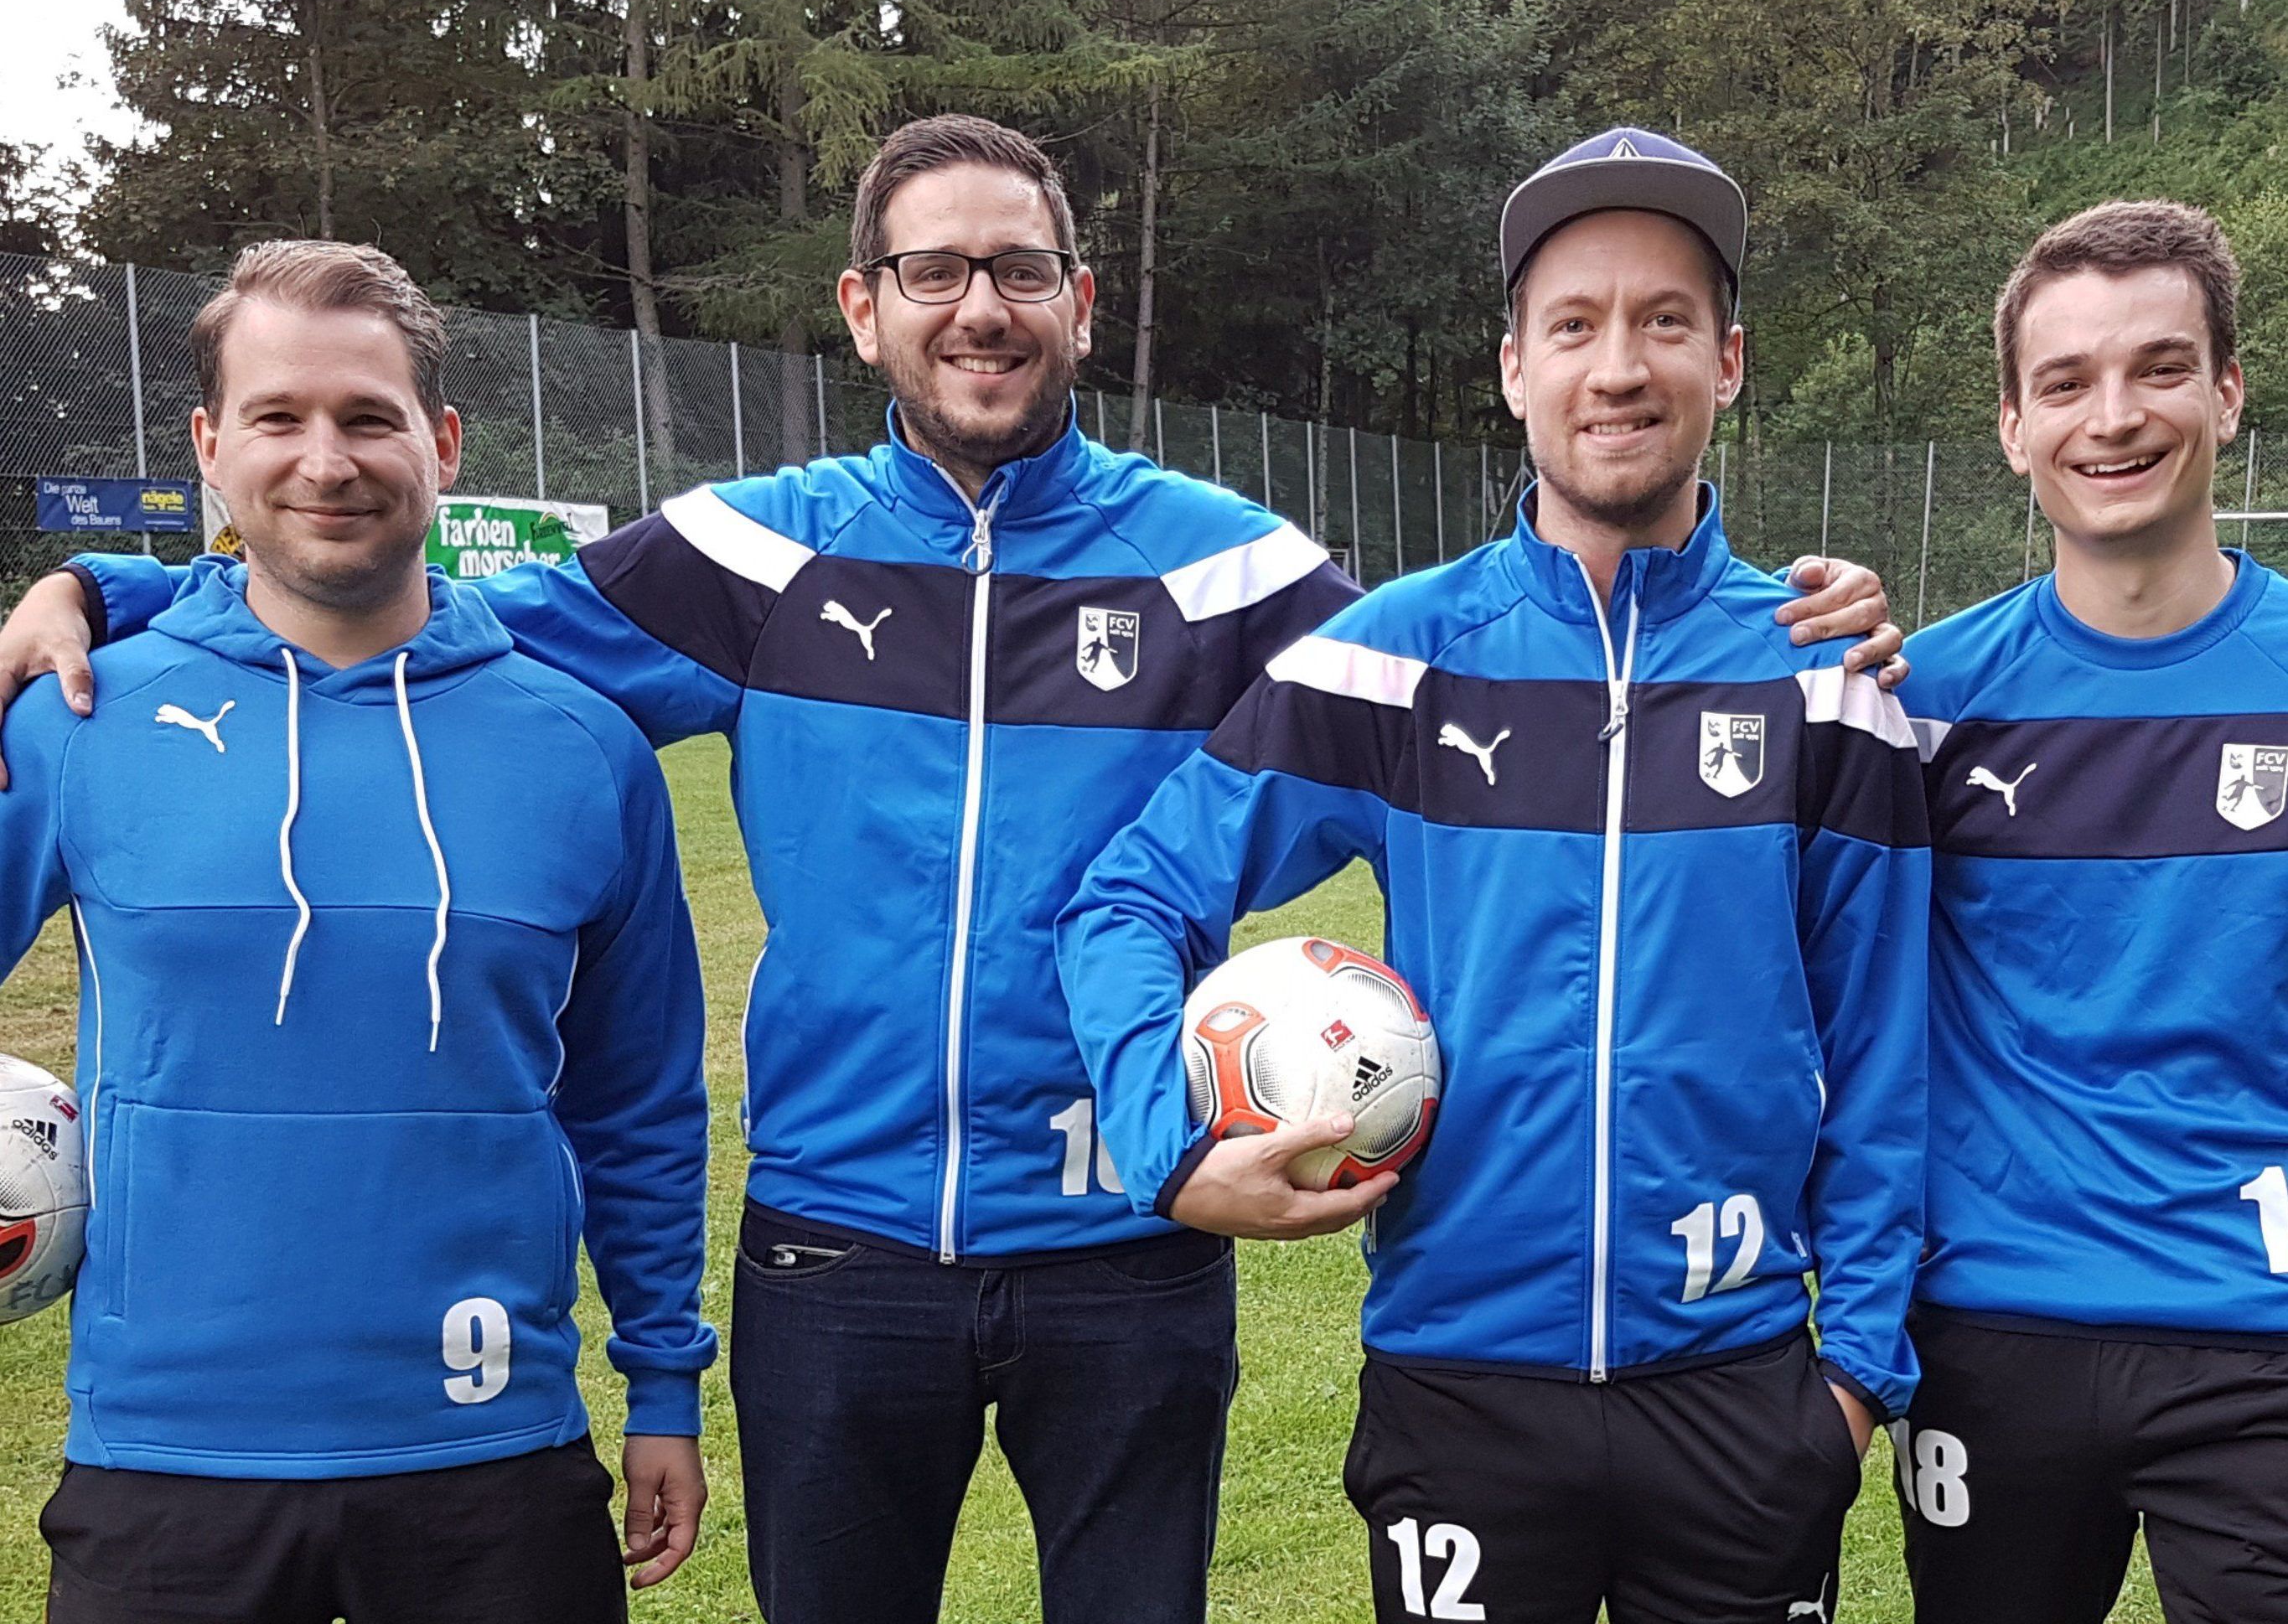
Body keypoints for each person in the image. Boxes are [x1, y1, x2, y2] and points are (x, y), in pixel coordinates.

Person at [0, 116, 1903, 1624]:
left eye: (1017, 270)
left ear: (1080, 298)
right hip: (837, 1270)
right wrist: (148, 594)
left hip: (1127, 1271)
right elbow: (412, 603)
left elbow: (1523, 650)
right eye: (934, 272)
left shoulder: (1229, 572)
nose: (978, 307)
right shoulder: (757, 556)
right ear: (863, 306)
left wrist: (1802, 623)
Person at [1057, 127, 1931, 1624]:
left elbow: (1884, 1053)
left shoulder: (1820, 677)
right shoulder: (1396, 656)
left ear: (1726, 361)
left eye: (1663, 322)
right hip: (1458, 1385)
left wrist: (1849, 1376)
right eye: (1574, 325)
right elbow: (1130, 896)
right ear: (1513, 365)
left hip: (1738, 1391)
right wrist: (1173, 1144)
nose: (1618, 367)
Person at [0, 240, 714, 1624]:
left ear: (439, 442)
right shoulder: (79, 718)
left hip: (491, 1457)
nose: (325, 461)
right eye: (277, 418)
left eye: (368, 417)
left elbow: (640, 1106)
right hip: (166, 1461)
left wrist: (666, 1382)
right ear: (211, 447)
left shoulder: (585, 749)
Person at [1892, 200, 2288, 1621]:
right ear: (2010, 424)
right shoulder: (1914, 706)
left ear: (2228, 392)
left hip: (2259, 1339)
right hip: (1992, 1333)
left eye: (2159, 368)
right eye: (2063, 382)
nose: (2110, 418)